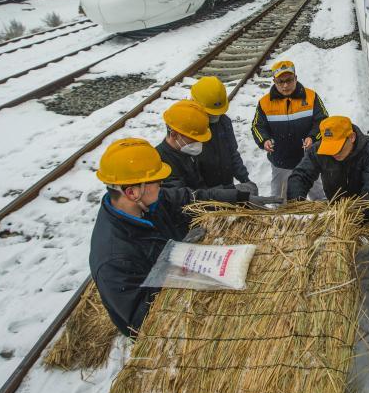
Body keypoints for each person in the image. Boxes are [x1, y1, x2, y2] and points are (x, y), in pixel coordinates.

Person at [90, 137, 280, 336]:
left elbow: (192, 199)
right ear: (132, 192)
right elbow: (144, 320)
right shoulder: (114, 259)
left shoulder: (148, 202)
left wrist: (240, 198)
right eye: (156, 181)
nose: (162, 184)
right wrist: (174, 259)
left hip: (186, 279)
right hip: (170, 328)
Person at [286, 116, 369, 321]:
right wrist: (296, 203)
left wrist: (356, 216)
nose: (334, 154)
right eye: (329, 149)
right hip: (337, 206)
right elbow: (300, 176)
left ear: (351, 138)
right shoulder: (319, 150)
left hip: (366, 205)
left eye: (338, 149)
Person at [252, 59, 328, 199]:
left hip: (308, 160)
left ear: (296, 78)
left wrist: (312, 137)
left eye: (289, 80)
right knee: (279, 201)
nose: (285, 85)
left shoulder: (311, 97)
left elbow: (322, 120)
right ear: (274, 81)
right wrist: (265, 140)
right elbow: (258, 126)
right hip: (280, 161)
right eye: (280, 82)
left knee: (319, 199)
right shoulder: (264, 103)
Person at [190, 76, 257, 193]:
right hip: (204, 194)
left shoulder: (224, 122)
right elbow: (190, 170)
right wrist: (208, 195)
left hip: (226, 186)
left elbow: (232, 153)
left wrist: (245, 179)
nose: (215, 117)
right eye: (210, 114)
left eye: (218, 113)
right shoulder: (188, 129)